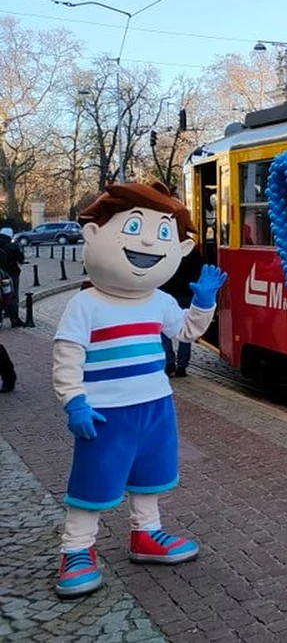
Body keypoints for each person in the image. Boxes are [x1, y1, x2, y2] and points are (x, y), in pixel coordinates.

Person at [50, 181, 226, 598]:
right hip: (105, 412)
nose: (149, 241)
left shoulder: (159, 300)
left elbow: (185, 332)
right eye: (134, 227)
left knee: (151, 476)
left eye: (163, 232)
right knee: (92, 483)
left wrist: (203, 304)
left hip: (155, 407)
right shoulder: (85, 305)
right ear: (94, 236)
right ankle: (76, 550)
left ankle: (146, 534)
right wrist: (73, 400)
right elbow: (67, 354)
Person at [158, 245, 205, 377]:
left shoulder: (166, 250)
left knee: (164, 330)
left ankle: (169, 362)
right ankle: (182, 366)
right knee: (185, 330)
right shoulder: (194, 253)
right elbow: (199, 273)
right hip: (188, 294)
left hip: (168, 293)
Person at [0, 227, 26, 327]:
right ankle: (14, 319)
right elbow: (21, 258)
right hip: (10, 275)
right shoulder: (12, 246)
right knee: (13, 295)